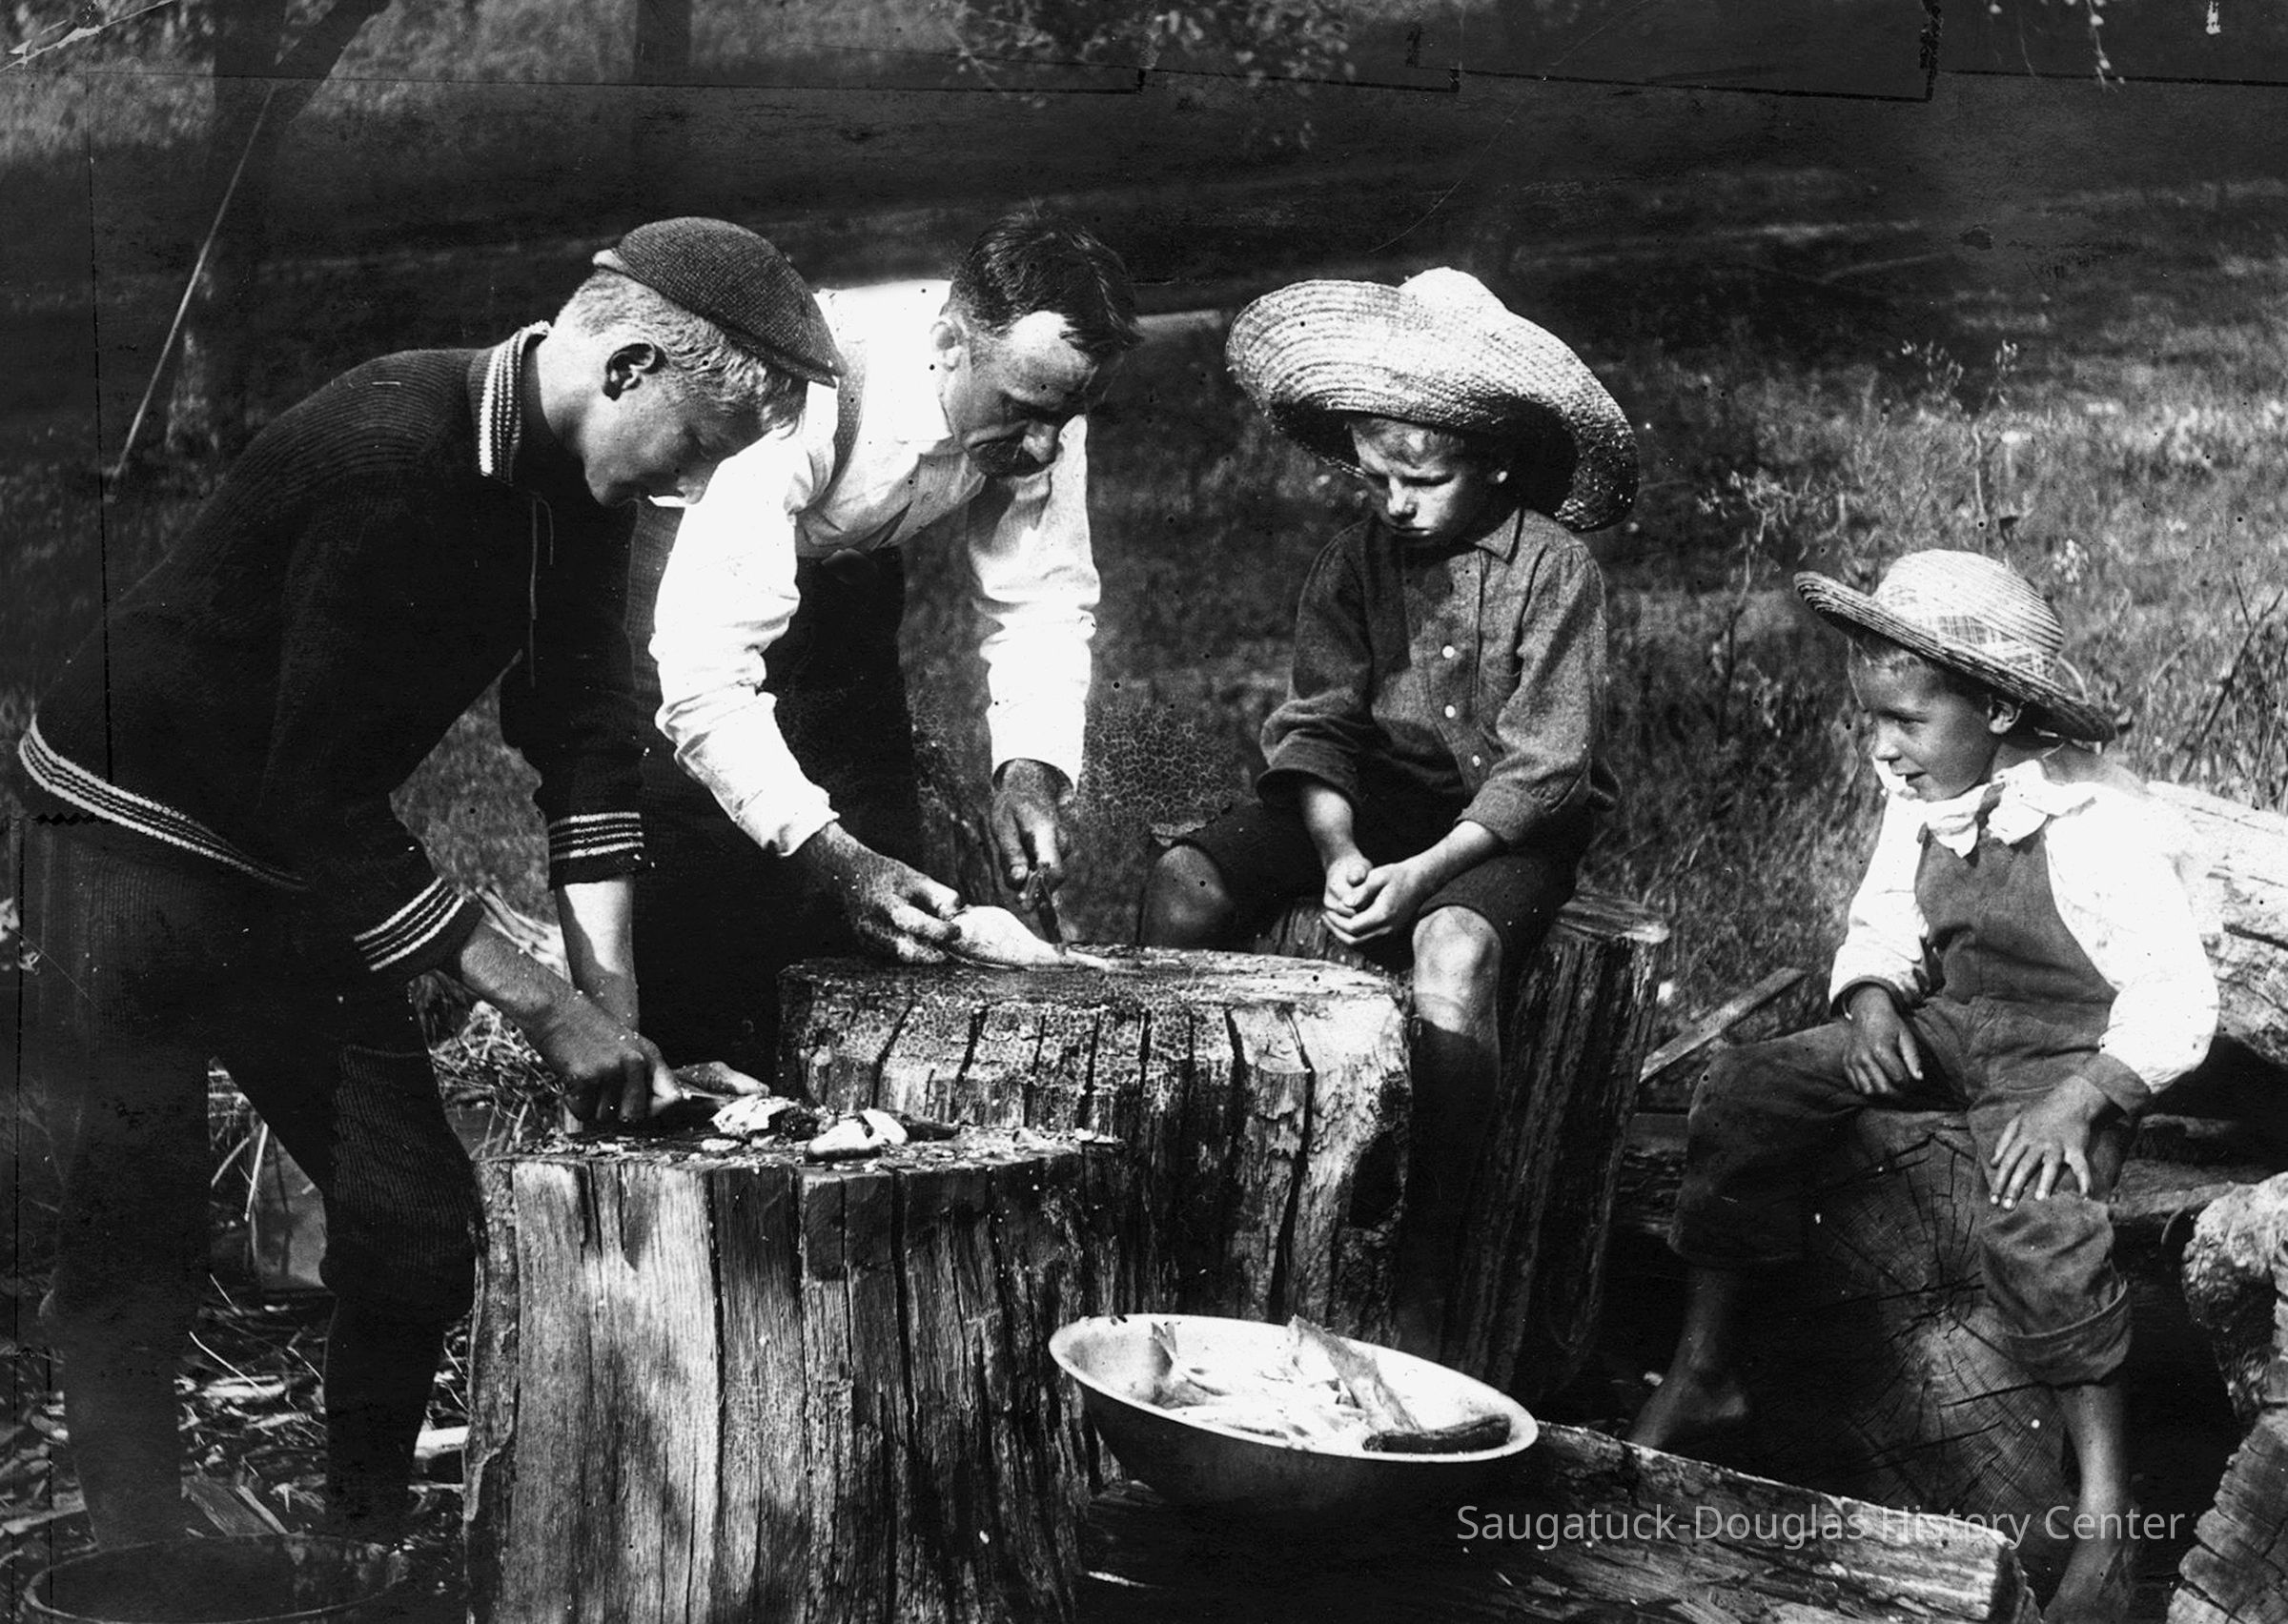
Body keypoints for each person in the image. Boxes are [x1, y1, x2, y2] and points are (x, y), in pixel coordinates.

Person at [12, 217, 840, 1546]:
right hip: (124, 825)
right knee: (137, 1216)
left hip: (287, 851)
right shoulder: (390, 451)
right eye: (695, 448)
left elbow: (580, 735)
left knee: (411, 1222)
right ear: (631, 369)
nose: (686, 489)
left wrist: (612, 1014)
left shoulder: (581, 481)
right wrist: (545, 1009)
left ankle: (361, 1536)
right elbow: (320, 796)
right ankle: (138, 1560)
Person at [1628, 550, 2216, 1624]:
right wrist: (1872, 1003)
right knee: (1748, 1086)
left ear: (1996, 708)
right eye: (1875, 720)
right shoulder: (1927, 789)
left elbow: (2178, 1000)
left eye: (1906, 720)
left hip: (2067, 1057)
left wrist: (2084, 1096)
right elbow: (1885, 921)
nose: (1883, 749)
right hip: (1953, 1026)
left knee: (2039, 1229)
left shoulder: (2100, 824)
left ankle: (2100, 1510)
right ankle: (1707, 1365)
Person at [1135, 267, 1640, 1355]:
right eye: (1374, 480)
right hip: (1374, 804)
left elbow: (1546, 769)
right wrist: (1337, 846)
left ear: (1497, 457)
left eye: (1426, 480)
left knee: (1453, 951)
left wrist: (1416, 880)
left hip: (1504, 826)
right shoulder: (1355, 562)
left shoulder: (1557, 574)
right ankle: (1175, 1159)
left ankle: (1430, 1256)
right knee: (1184, 884)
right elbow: (1317, 726)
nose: (1397, 505)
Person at [633, 208, 1141, 1076]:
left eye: (1069, 414)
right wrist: (826, 853)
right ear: (949, 341)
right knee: (701, 886)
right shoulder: (807, 379)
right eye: (1020, 410)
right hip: (682, 577)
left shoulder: (1044, 395)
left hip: (846, 586)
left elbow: (1042, 598)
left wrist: (1029, 767)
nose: (1046, 443)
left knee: (885, 904)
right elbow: (705, 682)